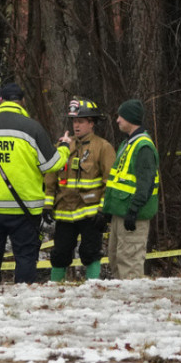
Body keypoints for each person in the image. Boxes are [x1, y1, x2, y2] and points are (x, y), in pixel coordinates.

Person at [0, 83, 70, 284]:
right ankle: (24, 297)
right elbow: (53, 164)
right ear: (22, 102)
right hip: (26, 209)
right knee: (25, 257)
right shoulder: (32, 128)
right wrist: (64, 147)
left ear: (1, 101)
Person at [44, 98, 115, 281]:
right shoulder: (64, 146)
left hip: (90, 213)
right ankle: (55, 287)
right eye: (74, 121)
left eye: (81, 121)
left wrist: (103, 210)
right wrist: (47, 205)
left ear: (91, 123)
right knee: (59, 254)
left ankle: (93, 287)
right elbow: (51, 176)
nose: (76, 125)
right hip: (65, 211)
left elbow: (111, 182)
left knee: (90, 252)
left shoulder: (103, 147)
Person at [102, 99, 160, 279]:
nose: (117, 120)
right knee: (116, 259)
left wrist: (134, 210)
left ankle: (135, 302)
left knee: (130, 264)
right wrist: (108, 211)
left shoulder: (143, 147)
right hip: (121, 214)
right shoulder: (127, 144)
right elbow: (117, 182)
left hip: (134, 216)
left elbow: (146, 183)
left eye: (121, 116)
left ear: (131, 118)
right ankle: (123, 305)